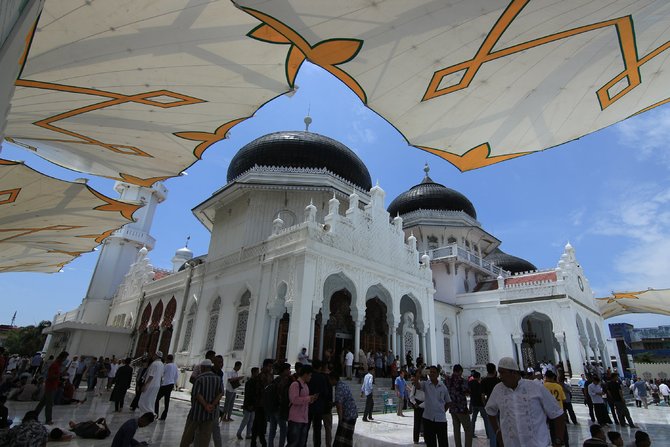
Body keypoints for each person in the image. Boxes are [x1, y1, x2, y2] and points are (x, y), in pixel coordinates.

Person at [485, 357, 565, 447]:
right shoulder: (498, 389)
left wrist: (558, 440)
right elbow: (490, 411)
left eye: (502, 373)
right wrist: (498, 432)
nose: (500, 376)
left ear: (514, 372)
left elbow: (557, 414)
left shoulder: (535, 387)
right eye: (499, 372)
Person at [179, 359, 223, 447]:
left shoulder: (200, 378)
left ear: (202, 368)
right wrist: (212, 405)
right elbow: (220, 393)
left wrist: (205, 405)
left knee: (188, 435)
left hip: (196, 413)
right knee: (205, 437)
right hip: (210, 414)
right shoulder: (218, 378)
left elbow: (197, 394)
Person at [415, 365, 450, 447]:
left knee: (443, 442)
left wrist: (441, 411)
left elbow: (448, 402)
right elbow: (417, 385)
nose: (431, 374)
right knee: (430, 443)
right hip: (428, 419)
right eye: (430, 372)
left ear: (438, 374)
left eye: (434, 372)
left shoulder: (443, 387)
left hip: (440, 419)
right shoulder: (426, 384)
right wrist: (417, 376)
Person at [34, 350, 68, 425]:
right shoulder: (55, 365)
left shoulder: (57, 365)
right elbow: (50, 376)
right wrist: (59, 375)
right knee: (49, 404)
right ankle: (48, 419)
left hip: (52, 386)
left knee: (42, 402)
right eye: (65, 358)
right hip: (50, 386)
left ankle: (34, 415)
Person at [287, 365, 317, 447]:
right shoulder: (295, 385)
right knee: (293, 442)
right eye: (310, 375)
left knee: (301, 443)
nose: (310, 377)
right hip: (295, 418)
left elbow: (304, 400)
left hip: (304, 418)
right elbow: (294, 399)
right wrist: (308, 398)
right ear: (305, 374)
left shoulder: (305, 386)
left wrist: (311, 399)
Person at [330, 371, 357, 447]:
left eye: (330, 380)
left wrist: (340, 419)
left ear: (333, 379)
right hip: (352, 413)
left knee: (342, 438)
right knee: (347, 437)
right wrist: (334, 403)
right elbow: (342, 400)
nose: (329, 382)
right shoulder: (343, 385)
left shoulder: (339, 388)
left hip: (348, 415)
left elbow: (339, 406)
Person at [447, 364, 472, 447]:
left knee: (456, 430)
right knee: (468, 429)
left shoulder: (448, 380)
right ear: (460, 371)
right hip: (461, 408)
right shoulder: (462, 380)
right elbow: (467, 391)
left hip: (452, 408)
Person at [309, 359, 332, 447]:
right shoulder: (324, 378)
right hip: (323, 407)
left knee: (315, 429)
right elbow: (327, 393)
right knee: (326, 429)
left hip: (311, 407)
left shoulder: (309, 377)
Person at [267, 362, 291, 447]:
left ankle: (270, 445)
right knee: (283, 429)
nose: (289, 371)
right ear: (284, 370)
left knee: (272, 429)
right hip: (279, 408)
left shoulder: (276, 379)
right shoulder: (284, 380)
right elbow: (282, 395)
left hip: (273, 407)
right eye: (288, 369)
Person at [543, 371, 569, 447]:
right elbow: (564, 399)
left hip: (550, 412)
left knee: (553, 431)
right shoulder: (558, 386)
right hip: (560, 410)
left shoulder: (543, 386)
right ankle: (566, 443)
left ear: (546, 377)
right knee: (563, 429)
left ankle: (555, 444)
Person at [480, 363, 500, 447]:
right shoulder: (498, 380)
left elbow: (482, 395)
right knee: (502, 427)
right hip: (499, 406)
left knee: (492, 430)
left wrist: (485, 405)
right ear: (494, 370)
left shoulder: (484, 381)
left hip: (490, 406)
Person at [138, 351, 164, 415]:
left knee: (144, 401)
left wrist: (145, 385)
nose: (153, 356)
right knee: (151, 400)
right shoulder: (162, 364)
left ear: (157, 356)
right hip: (156, 385)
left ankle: (149, 413)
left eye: (154, 355)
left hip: (150, 384)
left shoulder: (154, 364)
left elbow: (151, 376)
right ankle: (151, 413)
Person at [155, 354, 179, 420]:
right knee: (167, 400)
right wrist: (174, 383)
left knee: (157, 398)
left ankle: (156, 413)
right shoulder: (175, 366)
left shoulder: (167, 365)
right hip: (171, 384)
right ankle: (164, 416)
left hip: (165, 384)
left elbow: (162, 373)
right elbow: (176, 376)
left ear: (168, 359)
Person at [238, 367, 259, 440]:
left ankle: (248, 434)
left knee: (251, 420)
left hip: (253, 404)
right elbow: (248, 394)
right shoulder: (250, 382)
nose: (258, 374)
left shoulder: (255, 382)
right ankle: (239, 432)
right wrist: (249, 404)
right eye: (257, 372)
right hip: (249, 404)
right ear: (254, 373)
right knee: (246, 420)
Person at [409, 366, 425, 444]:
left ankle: (426, 436)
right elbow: (411, 396)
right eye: (418, 373)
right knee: (417, 422)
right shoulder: (415, 385)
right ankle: (416, 439)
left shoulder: (424, 383)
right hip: (417, 404)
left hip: (425, 404)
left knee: (425, 421)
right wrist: (415, 404)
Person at [469, 371, 486, 438]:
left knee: (473, 419)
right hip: (480, 404)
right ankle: (488, 433)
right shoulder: (479, 384)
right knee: (485, 419)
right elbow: (481, 394)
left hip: (473, 403)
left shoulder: (470, 383)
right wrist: (484, 403)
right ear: (478, 377)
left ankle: (472, 433)